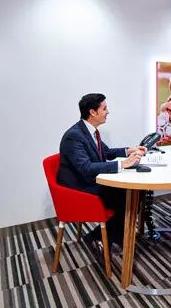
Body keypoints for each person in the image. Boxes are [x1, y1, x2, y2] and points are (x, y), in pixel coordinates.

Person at [57, 93, 146, 253]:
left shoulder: (90, 131)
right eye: (104, 109)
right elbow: (85, 168)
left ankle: (115, 235)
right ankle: (96, 236)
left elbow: (106, 152)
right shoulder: (74, 136)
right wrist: (122, 164)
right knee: (128, 197)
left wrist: (129, 150)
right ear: (92, 112)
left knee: (135, 193)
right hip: (78, 187)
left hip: (90, 180)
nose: (108, 112)